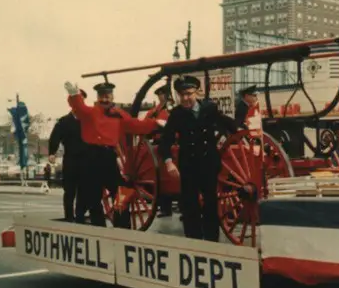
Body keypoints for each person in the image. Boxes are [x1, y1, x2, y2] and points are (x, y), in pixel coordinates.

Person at [65, 80, 163, 227]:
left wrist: (156, 123)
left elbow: (136, 125)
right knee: (93, 197)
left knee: (122, 193)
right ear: (98, 97)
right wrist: (74, 94)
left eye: (108, 96)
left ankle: (122, 227)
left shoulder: (119, 115)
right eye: (102, 96)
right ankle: (99, 229)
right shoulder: (90, 113)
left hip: (109, 157)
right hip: (91, 157)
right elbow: (78, 107)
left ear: (112, 97)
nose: (105, 99)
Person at [158, 75, 238, 242]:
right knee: (190, 206)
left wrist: (244, 132)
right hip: (188, 166)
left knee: (210, 204)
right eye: (182, 95)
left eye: (189, 93)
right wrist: (168, 162)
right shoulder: (176, 114)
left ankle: (212, 242)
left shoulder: (210, 108)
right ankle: (194, 243)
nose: (186, 98)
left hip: (209, 164)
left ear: (197, 93)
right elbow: (165, 141)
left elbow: (226, 123)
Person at [48, 91, 90, 223]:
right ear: (71, 103)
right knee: (70, 190)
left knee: (84, 189)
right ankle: (69, 216)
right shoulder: (64, 121)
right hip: (71, 159)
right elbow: (55, 137)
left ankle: (80, 215)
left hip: (86, 159)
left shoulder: (88, 119)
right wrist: (52, 152)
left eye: (81, 100)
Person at [145, 84, 174, 217]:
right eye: (160, 95)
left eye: (164, 94)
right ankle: (164, 208)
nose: (162, 97)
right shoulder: (154, 111)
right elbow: (145, 123)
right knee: (160, 177)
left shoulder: (171, 109)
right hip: (158, 142)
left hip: (172, 141)